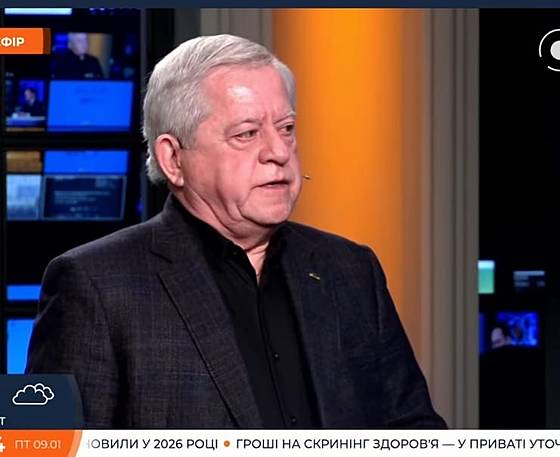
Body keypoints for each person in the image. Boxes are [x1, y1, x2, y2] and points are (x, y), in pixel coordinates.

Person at [27, 34, 446, 429]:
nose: (279, 152)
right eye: (247, 134)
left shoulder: (350, 270)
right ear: (173, 159)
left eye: (286, 129)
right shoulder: (94, 285)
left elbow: (415, 434)